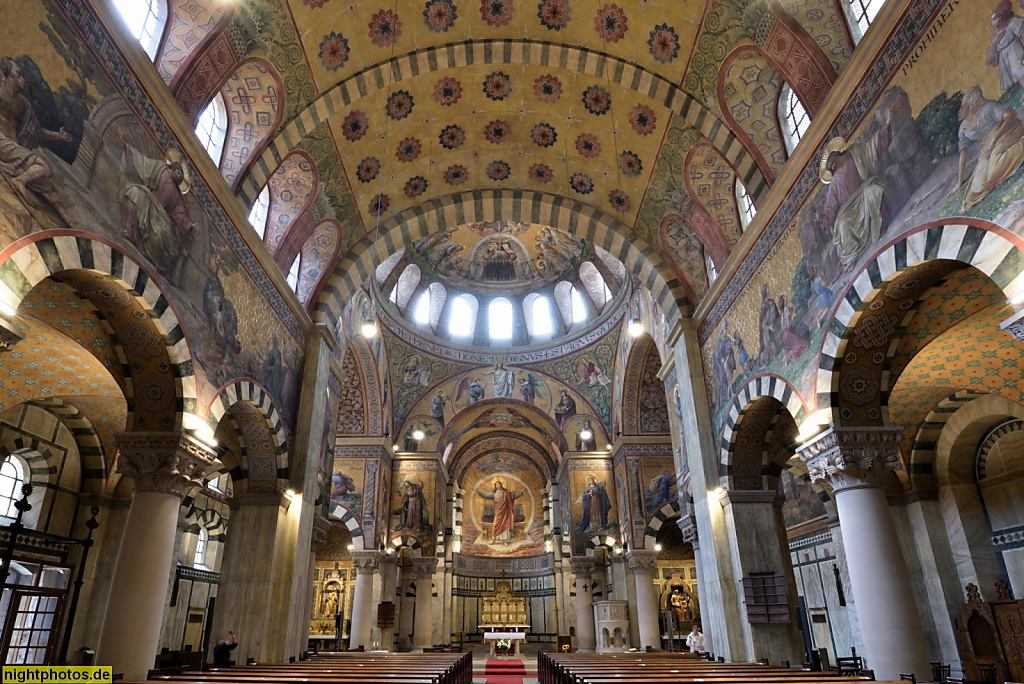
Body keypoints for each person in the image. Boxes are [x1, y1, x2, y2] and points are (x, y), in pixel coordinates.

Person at [819, 107, 893, 270]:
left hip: (864, 192)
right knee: (843, 224)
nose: (831, 166)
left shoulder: (855, 153)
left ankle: (878, 229)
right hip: (849, 210)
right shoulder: (834, 182)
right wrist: (823, 219)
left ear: (836, 154)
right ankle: (851, 256)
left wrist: (887, 123)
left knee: (873, 191)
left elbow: (872, 147)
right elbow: (830, 206)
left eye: (831, 162)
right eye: (829, 167)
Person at [0, 58, 73, 223]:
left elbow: (37, 130)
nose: (23, 79)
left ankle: (70, 223)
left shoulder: (23, 104)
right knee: (45, 167)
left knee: (50, 189)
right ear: (9, 73)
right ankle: (19, 181)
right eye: (18, 74)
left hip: (15, 150)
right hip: (2, 141)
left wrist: (58, 135)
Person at [119, 134, 195, 278]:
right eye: (179, 172)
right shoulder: (160, 169)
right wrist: (129, 149)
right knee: (133, 192)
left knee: (161, 231)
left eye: (181, 176)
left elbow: (179, 211)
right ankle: (129, 230)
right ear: (173, 168)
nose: (179, 176)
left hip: (158, 216)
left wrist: (189, 224)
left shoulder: (176, 194)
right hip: (147, 199)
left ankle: (151, 255)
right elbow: (143, 163)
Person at [949, 86, 1024, 211]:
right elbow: (963, 155)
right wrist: (959, 182)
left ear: (970, 106)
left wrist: (993, 142)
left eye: (961, 108)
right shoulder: (963, 129)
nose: (959, 112)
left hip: (1007, 133)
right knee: (975, 190)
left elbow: (1011, 115)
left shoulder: (988, 107)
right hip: (987, 147)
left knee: (995, 170)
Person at [986, 2, 1024, 92]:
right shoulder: (996, 37)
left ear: (1000, 17)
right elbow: (988, 60)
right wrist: (996, 42)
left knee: (1020, 71)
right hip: (1012, 66)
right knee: (1018, 74)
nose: (991, 23)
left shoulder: (1013, 23)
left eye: (993, 19)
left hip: (1019, 58)